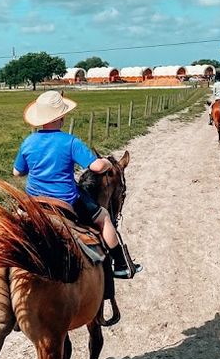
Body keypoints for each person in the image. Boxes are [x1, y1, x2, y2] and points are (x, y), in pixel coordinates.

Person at [13, 90, 141, 279]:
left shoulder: (28, 141)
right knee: (104, 218)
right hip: (65, 201)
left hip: (34, 202)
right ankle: (122, 265)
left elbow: (17, 172)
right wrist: (107, 163)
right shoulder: (70, 141)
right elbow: (97, 167)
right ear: (61, 117)